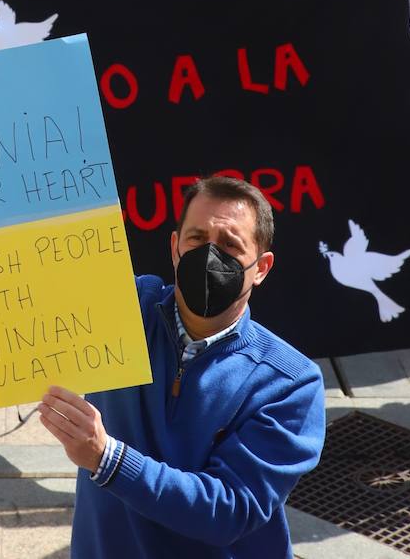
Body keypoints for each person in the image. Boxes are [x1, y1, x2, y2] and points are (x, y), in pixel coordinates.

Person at [41, 174, 324, 559]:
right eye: (197, 239)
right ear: (175, 247)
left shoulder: (289, 383)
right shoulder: (121, 309)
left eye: (230, 245)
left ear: (261, 268)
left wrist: (107, 459)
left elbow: (229, 510)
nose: (210, 255)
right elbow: (36, 277)